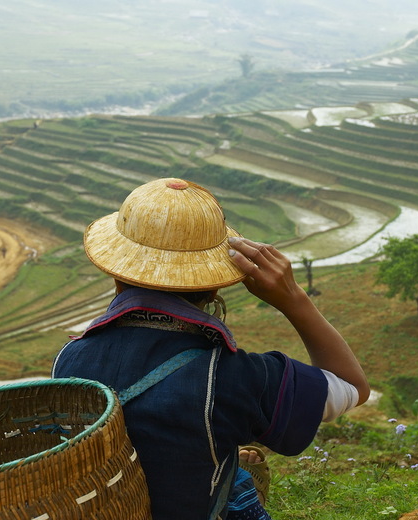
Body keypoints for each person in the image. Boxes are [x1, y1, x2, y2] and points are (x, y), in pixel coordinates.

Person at [52, 178, 370, 519]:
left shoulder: (69, 360)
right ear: (214, 286)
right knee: (234, 478)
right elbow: (351, 386)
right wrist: (294, 301)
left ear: (116, 274)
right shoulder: (234, 376)